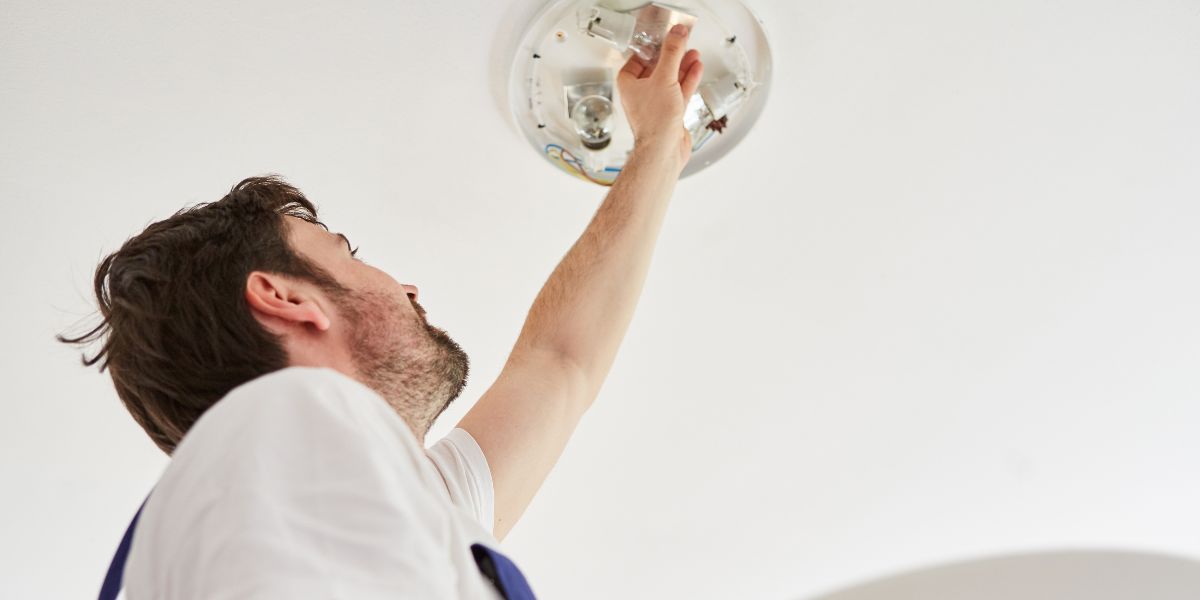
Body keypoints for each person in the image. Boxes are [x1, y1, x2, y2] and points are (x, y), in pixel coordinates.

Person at [62, 24, 704, 600]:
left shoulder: (377, 498)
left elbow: (561, 360)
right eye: (349, 253)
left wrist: (658, 148)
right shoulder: (278, 426)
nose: (409, 289)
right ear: (286, 298)